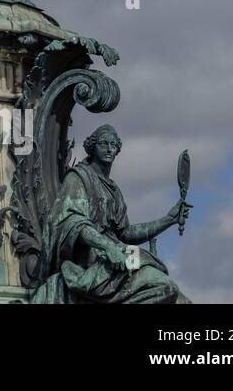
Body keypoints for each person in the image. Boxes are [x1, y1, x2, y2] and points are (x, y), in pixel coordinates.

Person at [33, 124, 191, 303]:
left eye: (113, 145)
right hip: (94, 261)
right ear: (92, 148)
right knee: (166, 288)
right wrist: (108, 248)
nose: (109, 149)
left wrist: (169, 219)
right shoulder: (79, 178)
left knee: (180, 300)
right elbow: (74, 222)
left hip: (120, 255)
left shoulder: (114, 190)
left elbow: (126, 233)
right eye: (103, 144)